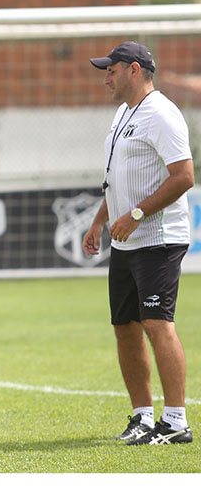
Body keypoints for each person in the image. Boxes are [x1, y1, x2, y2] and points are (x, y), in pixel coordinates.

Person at [83, 41, 194, 445]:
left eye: (110, 71)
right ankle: (143, 418)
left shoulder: (161, 113)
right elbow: (116, 179)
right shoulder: (123, 114)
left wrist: (135, 215)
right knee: (124, 327)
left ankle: (176, 422)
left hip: (158, 238)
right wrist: (100, 221)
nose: (106, 79)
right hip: (126, 242)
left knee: (156, 323)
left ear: (133, 70)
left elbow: (184, 176)